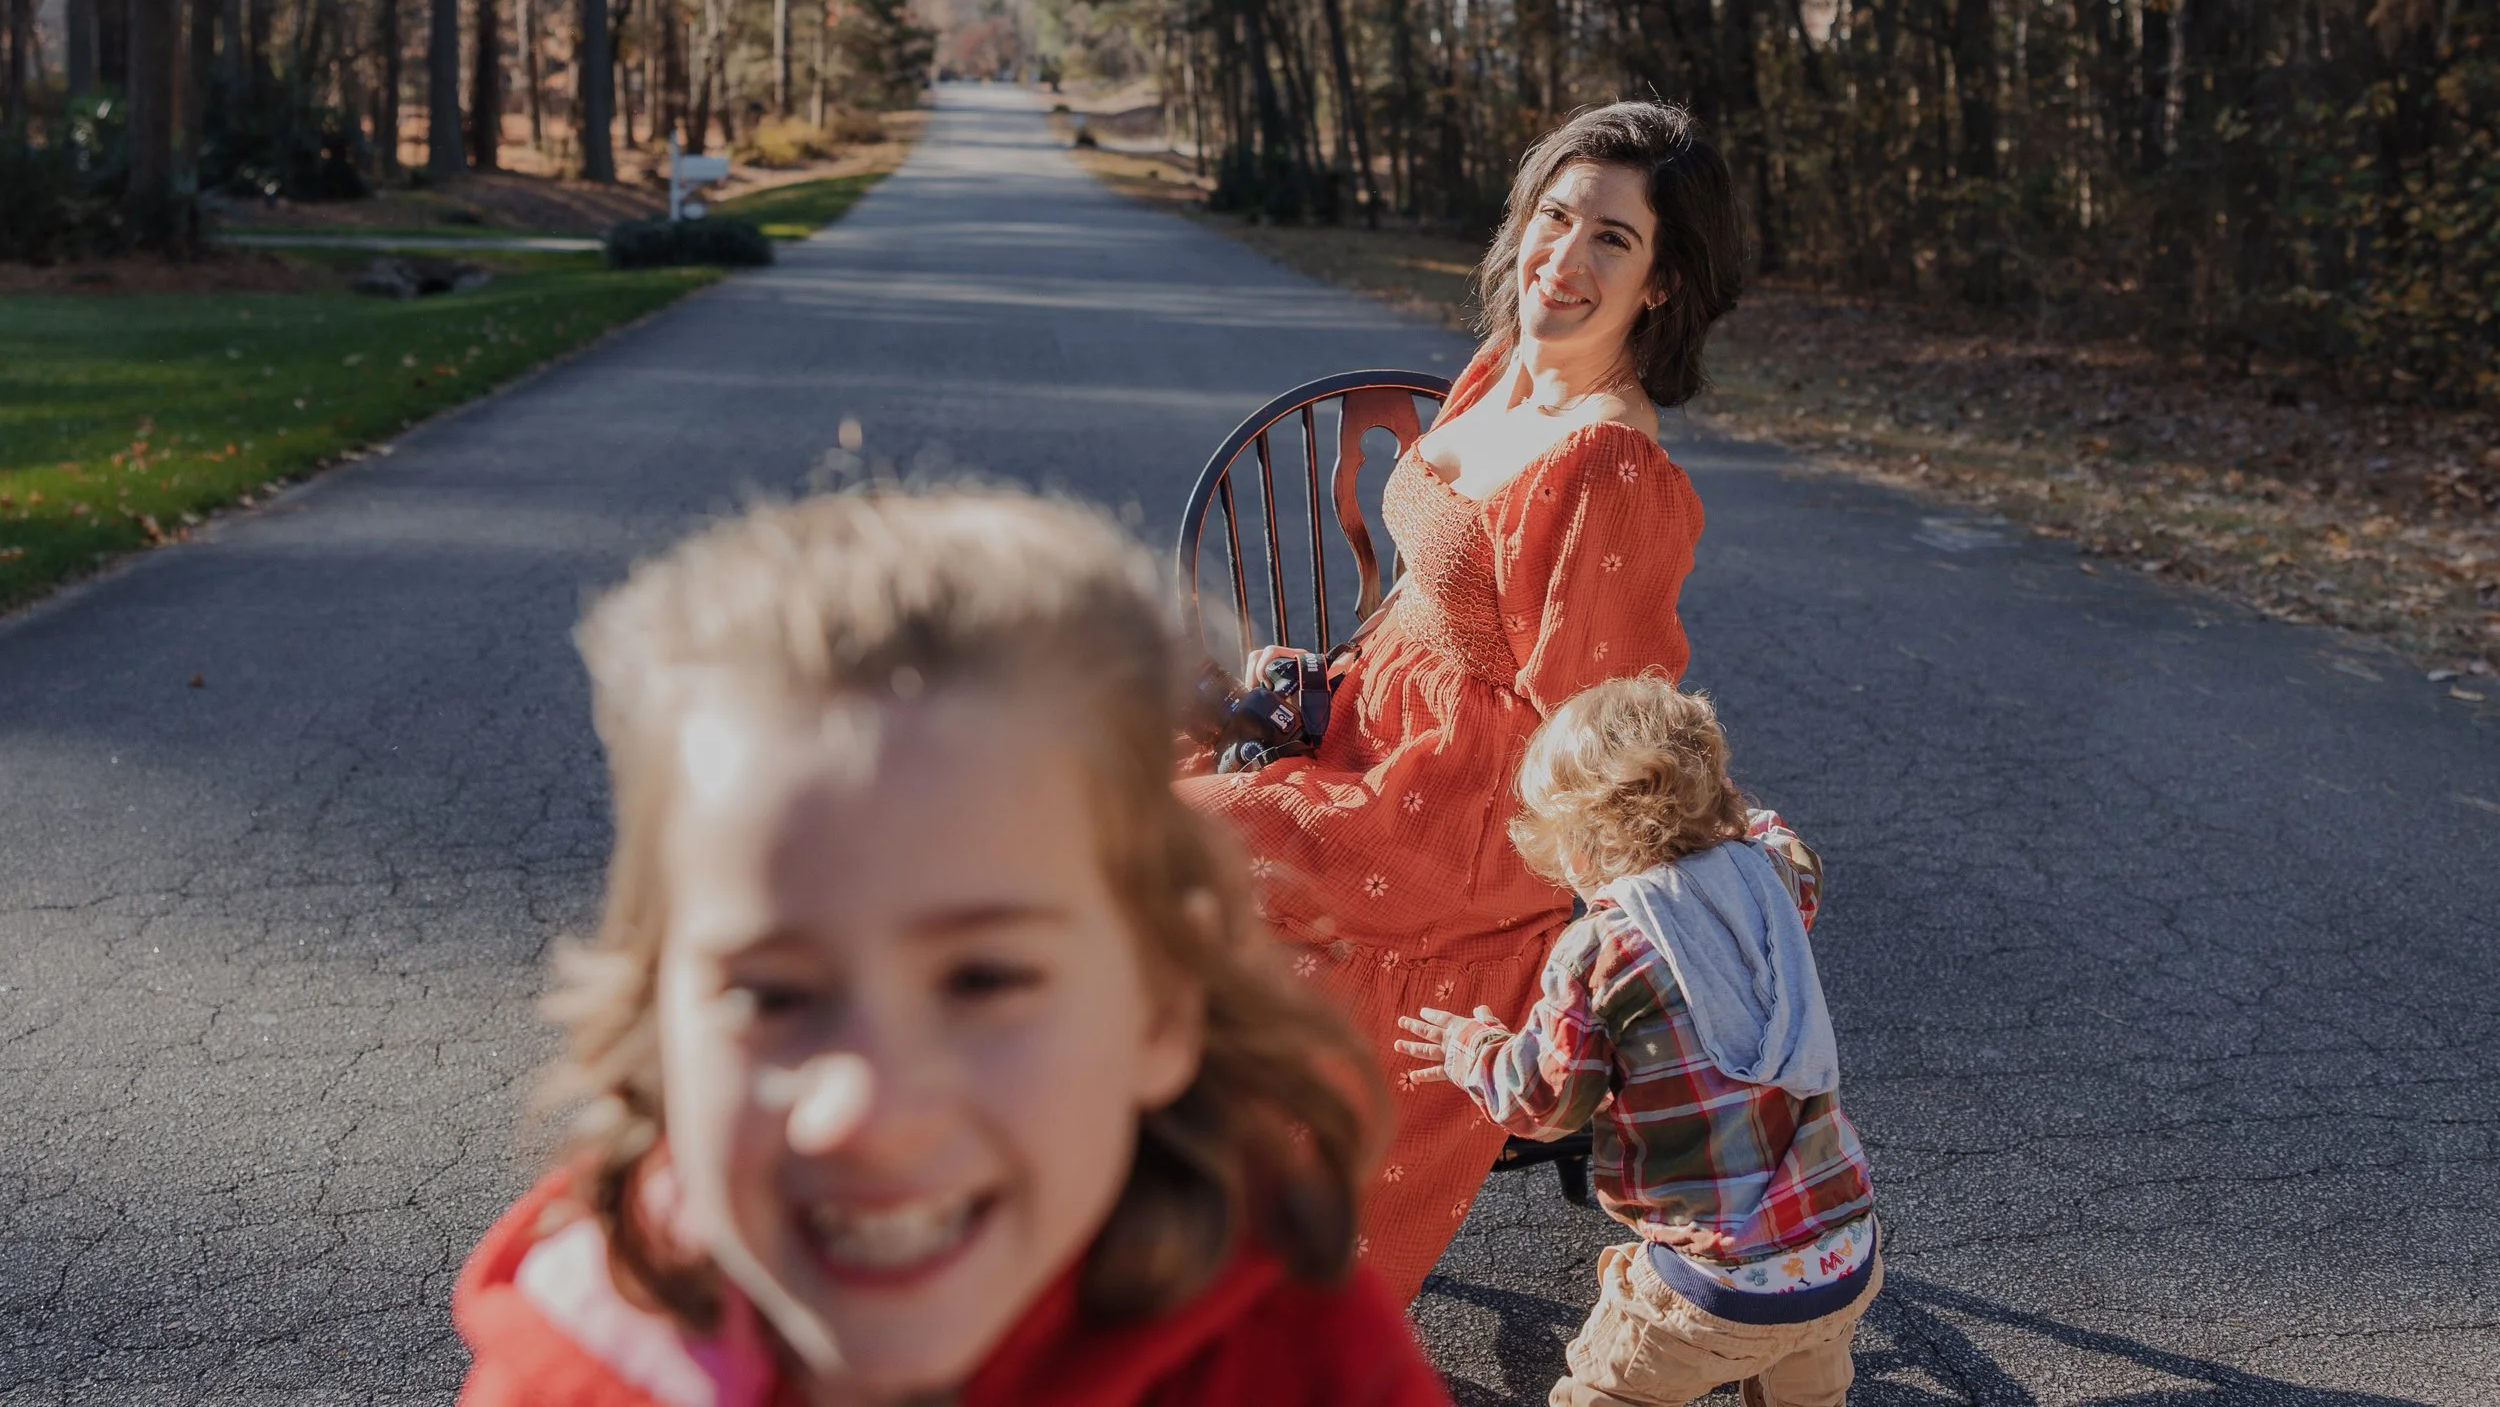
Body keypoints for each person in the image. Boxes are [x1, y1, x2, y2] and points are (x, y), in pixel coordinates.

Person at [454, 491, 1454, 1407]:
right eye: (771, 994)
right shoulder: (566, 1372)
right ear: (655, 1020)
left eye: (983, 979)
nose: (865, 1115)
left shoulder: (1295, 1356)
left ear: (1160, 1003)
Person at [1182, 101, 1745, 1299]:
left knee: (1159, 846)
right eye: (1555, 217)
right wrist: (1325, 683)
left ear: (1662, 283)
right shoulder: (1500, 367)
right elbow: (1455, 598)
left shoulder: (1607, 464)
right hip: (1370, 723)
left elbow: (1594, 726)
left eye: (1612, 239)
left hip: (1466, 813)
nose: (1565, 256)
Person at [1397, 677, 1878, 1407]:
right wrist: (1727, 813)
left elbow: (1547, 1105)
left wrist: (1477, 1049)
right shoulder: (1769, 877)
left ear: (1579, 841)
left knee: (1609, 1392)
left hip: (1713, 1290)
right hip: (1844, 1252)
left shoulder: (1602, 950)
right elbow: (1790, 849)